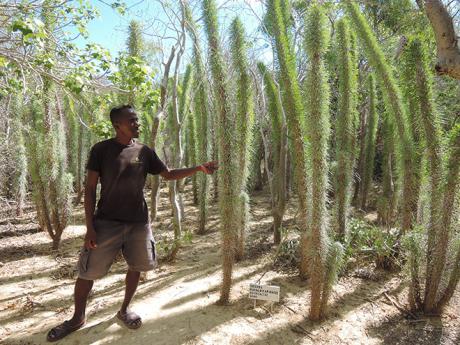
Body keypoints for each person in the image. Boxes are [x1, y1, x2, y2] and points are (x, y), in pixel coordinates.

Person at [47, 105, 217, 342]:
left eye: (137, 120)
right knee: (87, 273)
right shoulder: (101, 150)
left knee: (136, 266)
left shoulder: (145, 152)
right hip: (106, 223)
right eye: (132, 121)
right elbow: (89, 189)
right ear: (118, 125)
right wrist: (90, 227)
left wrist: (198, 168)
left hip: (138, 223)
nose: (138, 124)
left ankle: (124, 309)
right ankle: (77, 318)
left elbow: (168, 174)